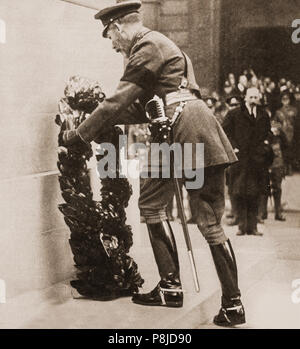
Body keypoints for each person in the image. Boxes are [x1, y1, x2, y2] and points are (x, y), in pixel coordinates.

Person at [59, 0, 245, 326]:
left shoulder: (146, 46)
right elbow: (139, 109)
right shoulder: (167, 48)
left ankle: (209, 297)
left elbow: (120, 101)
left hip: (179, 130)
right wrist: (95, 119)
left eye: (111, 38)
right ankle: (193, 293)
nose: (115, 46)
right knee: (163, 207)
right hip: (186, 128)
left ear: (118, 27)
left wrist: (78, 135)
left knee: (189, 215)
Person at [222, 87, 273, 236]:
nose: (253, 100)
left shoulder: (263, 115)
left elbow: (268, 133)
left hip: (257, 161)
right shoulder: (234, 114)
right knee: (239, 193)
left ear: (259, 99)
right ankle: (242, 226)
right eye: (250, 97)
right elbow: (225, 133)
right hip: (240, 160)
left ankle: (253, 227)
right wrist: (234, 147)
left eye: (255, 97)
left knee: (255, 193)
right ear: (245, 98)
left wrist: (264, 148)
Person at [274, 91, 298, 175]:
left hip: (293, 133)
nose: (285, 101)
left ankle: (291, 167)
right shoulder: (278, 112)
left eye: (287, 99)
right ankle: (285, 168)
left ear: (289, 100)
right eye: (283, 99)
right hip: (283, 134)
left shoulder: (294, 110)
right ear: (281, 101)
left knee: (292, 150)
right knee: (284, 151)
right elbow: (275, 123)